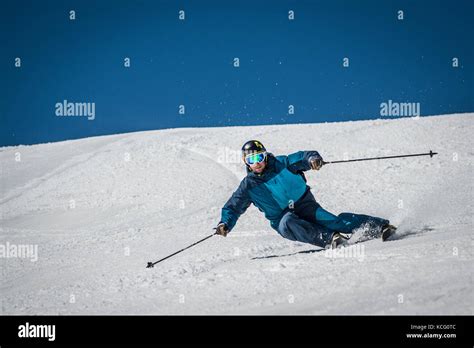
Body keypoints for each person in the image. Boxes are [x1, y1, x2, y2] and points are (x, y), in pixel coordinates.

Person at [215, 140, 395, 248]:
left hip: (304, 203)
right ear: (246, 162)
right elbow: (233, 206)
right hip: (281, 218)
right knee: (289, 221)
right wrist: (225, 223)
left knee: (333, 221)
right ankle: (329, 238)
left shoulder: (281, 163)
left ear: (265, 156)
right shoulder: (248, 186)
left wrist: (312, 160)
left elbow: (302, 157)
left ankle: (379, 227)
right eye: (252, 160)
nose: (257, 163)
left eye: (259, 157)